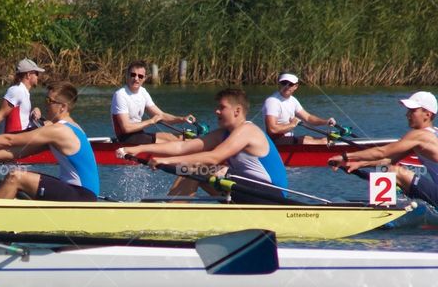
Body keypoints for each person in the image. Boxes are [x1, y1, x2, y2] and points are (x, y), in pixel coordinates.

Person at [117, 88, 288, 204]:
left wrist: (167, 161)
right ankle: (173, 207)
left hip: (272, 196)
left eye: (222, 107)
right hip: (246, 189)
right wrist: (139, 149)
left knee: (196, 168)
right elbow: (182, 147)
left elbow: (213, 157)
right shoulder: (222, 133)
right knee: (195, 169)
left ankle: (172, 212)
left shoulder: (247, 130)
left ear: (237, 111)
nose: (216, 111)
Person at [0, 82, 100, 201]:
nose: (46, 104)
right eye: (45, 99)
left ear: (63, 107)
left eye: (50, 101)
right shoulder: (70, 127)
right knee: (17, 178)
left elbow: (10, 140)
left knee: (16, 176)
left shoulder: (59, 131)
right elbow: (18, 152)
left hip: (81, 195)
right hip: (74, 191)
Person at [328, 91, 438, 206]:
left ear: (427, 114)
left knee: (394, 171)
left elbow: (382, 151)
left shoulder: (422, 136)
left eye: (412, 111)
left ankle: (382, 209)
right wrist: (358, 164)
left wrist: (345, 156)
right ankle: (389, 204)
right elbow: (388, 159)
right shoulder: (435, 132)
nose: (407, 115)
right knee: (390, 168)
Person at [111, 61, 196, 144]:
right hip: (126, 138)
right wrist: (151, 121)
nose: (136, 78)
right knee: (171, 143)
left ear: (144, 78)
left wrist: (182, 119)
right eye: (133, 75)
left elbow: (161, 115)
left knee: (176, 137)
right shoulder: (120, 95)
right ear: (127, 75)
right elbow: (126, 128)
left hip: (139, 134)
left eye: (140, 76)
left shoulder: (143, 92)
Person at [0, 58, 45, 138]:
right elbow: (1, 114)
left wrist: (35, 110)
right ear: (28, 75)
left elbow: (21, 116)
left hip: (24, 135)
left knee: (49, 124)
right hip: (15, 139)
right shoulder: (16, 90)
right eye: (36, 73)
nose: (38, 76)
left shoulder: (24, 92)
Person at [263, 72, 337, 145]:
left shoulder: (292, 100)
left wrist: (326, 121)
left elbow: (308, 118)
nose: (286, 86)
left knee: (321, 139)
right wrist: (292, 124)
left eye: (290, 84)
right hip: (276, 142)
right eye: (284, 83)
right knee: (324, 142)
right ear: (279, 84)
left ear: (296, 86)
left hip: (288, 139)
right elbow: (272, 129)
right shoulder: (272, 102)